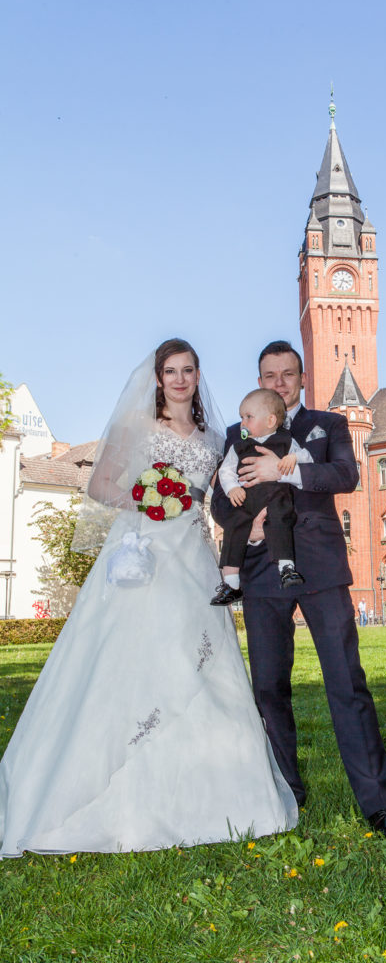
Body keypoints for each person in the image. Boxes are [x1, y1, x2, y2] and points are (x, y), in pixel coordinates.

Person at [0, 340, 297, 859]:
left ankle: (226, 795)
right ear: (157, 379)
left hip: (194, 557)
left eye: (187, 370)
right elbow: (99, 485)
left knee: (206, 664)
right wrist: (149, 495)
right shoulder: (138, 427)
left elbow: (225, 496)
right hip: (140, 558)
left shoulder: (214, 437)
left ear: (198, 376)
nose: (179, 379)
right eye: (170, 371)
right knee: (131, 661)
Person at [211, 340, 386, 838]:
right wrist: (246, 524)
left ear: (302, 378)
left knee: (346, 682)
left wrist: (288, 469)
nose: (279, 382)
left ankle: (378, 804)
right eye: (269, 375)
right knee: (268, 687)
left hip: (320, 569)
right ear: (259, 379)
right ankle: (284, 794)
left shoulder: (330, 424)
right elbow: (218, 502)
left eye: (288, 374)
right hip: (260, 571)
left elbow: (347, 474)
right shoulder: (239, 430)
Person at [210, 388, 311, 606]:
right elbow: (226, 471)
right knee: (234, 525)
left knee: (281, 519)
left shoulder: (286, 441)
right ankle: (231, 583)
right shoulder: (239, 446)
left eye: (248, 417)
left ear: (270, 420)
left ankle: (287, 568)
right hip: (246, 500)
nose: (242, 423)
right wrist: (231, 489)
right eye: (241, 418)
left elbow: (307, 457)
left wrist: (293, 458)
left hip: (276, 497)